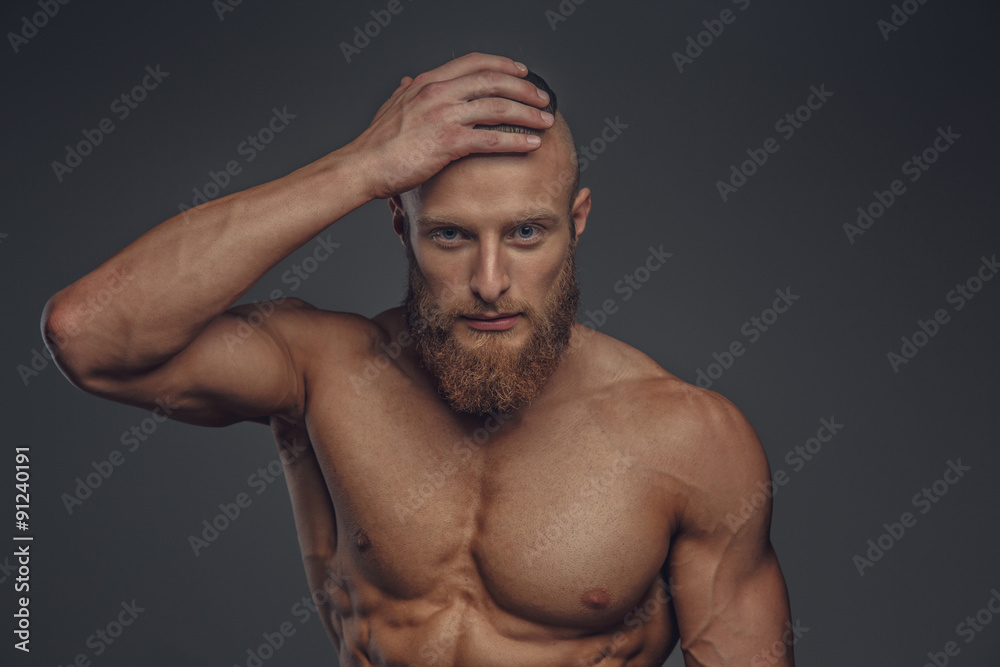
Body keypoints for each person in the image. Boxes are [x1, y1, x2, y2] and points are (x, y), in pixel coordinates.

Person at [42, 52, 795, 666]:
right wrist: (361, 167)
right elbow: (90, 337)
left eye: (527, 234)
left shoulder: (691, 439)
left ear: (578, 223)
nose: (491, 281)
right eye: (451, 236)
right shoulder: (326, 370)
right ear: (399, 223)